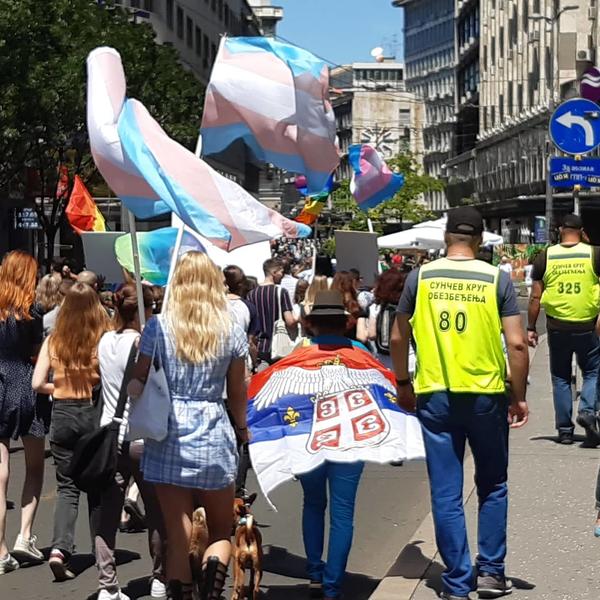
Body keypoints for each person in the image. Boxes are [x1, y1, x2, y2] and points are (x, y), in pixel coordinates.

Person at [391, 207, 529, 600]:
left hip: (436, 394)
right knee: (493, 484)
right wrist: (518, 396)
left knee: (446, 491)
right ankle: (492, 573)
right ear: (480, 240)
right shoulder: (496, 278)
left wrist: (403, 383)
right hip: (486, 395)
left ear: (446, 236)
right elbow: (517, 344)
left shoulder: (420, 278)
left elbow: (398, 337)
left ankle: (456, 580)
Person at [127, 252, 249, 600]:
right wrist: (242, 428)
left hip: (168, 433)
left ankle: (181, 592)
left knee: (177, 533)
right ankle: (212, 580)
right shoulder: (230, 328)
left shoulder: (158, 327)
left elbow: (138, 379)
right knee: (221, 531)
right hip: (212, 428)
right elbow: (237, 391)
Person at [32, 282, 110, 581]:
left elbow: (37, 383)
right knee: (97, 485)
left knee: (67, 486)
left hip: (63, 413)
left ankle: (59, 549)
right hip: (91, 411)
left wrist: (59, 386)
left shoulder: (54, 340)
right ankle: (102, 551)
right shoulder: (101, 339)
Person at [95, 284, 166, 600]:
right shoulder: (142, 344)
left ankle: (107, 584)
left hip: (109, 436)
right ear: (144, 310)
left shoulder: (104, 341)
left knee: (106, 514)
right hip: (141, 434)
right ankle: (159, 576)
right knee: (156, 511)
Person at [297, 290, 366, 600]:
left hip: (309, 440)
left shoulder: (301, 353)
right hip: (349, 440)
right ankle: (333, 583)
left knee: (312, 503)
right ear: (344, 323)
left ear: (312, 324)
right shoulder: (359, 352)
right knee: (343, 513)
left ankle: (315, 571)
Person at [528, 213, 600, 446]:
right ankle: (587, 411)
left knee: (560, 377)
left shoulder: (545, 256)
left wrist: (531, 327)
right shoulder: (594, 254)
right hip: (587, 324)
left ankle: (565, 431)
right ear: (581, 231)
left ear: (560, 230)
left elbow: (535, 296)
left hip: (557, 326)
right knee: (593, 371)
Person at [0, 251, 46, 574]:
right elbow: (37, 352)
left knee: (0, 473)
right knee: (35, 466)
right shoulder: (33, 311)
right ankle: (24, 536)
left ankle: (1, 550)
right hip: (25, 385)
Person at [248, 258, 296, 365]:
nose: (282, 275)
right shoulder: (281, 292)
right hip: (278, 346)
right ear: (274, 273)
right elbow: (290, 321)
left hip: (258, 347)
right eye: (281, 272)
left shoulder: (251, 294)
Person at [368, 269, 414, 372]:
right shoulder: (408, 307)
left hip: (385, 362)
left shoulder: (376, 307)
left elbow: (371, 334)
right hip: (409, 360)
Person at [331, 271, 368, 344]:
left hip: (330, 346)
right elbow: (362, 338)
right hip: (352, 346)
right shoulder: (356, 309)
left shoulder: (328, 308)